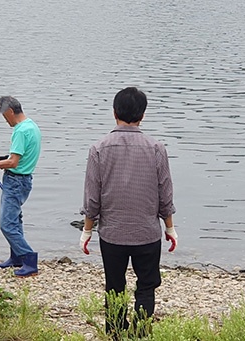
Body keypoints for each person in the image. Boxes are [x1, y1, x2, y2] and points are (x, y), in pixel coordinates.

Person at [79, 87, 177, 339]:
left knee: (114, 286)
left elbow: (92, 197)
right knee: (147, 285)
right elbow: (165, 193)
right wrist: (169, 227)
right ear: (142, 115)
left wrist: (87, 230)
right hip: (147, 233)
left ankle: (115, 334)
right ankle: (141, 333)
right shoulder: (156, 148)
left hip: (112, 234)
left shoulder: (99, 148)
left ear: (114, 113)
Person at [0, 96, 41, 277]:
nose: (5, 121)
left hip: (15, 181)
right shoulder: (32, 126)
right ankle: (17, 257)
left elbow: (13, 162)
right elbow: (21, 157)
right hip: (25, 180)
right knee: (15, 220)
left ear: (10, 111)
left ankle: (29, 259)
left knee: (7, 224)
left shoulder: (20, 131)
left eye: (5, 116)